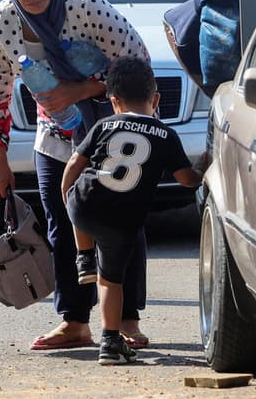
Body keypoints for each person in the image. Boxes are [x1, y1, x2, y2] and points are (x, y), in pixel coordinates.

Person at [0, 0, 152, 351]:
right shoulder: (3, 24)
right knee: (62, 227)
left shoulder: (86, 5)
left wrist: (84, 89)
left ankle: (127, 319)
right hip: (56, 135)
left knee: (118, 223)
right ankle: (75, 321)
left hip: (113, 133)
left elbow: (137, 62)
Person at [61, 56, 202, 365]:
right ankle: (110, 343)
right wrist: (207, 162)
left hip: (86, 202)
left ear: (114, 102)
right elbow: (187, 180)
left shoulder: (103, 125)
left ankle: (84, 257)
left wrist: (67, 196)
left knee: (79, 199)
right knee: (111, 281)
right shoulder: (165, 135)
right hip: (123, 221)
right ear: (156, 99)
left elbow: (74, 164)